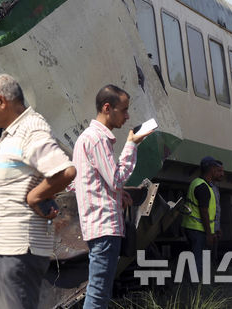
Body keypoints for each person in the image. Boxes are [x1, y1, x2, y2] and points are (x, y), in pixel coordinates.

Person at [0, 74, 77, 309]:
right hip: (3, 248)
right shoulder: (15, 131)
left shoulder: (31, 129)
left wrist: (35, 196)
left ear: (1, 101)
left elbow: (65, 171)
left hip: (17, 250)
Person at [72, 84, 151, 309]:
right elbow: (116, 178)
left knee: (98, 290)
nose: (127, 116)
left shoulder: (86, 138)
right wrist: (131, 145)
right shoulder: (97, 139)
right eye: (124, 110)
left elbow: (86, 183)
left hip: (97, 224)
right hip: (104, 225)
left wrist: (118, 195)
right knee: (98, 293)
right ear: (108, 108)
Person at [181, 156, 221, 275]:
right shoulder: (202, 187)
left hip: (195, 228)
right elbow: (204, 211)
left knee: (198, 261)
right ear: (212, 170)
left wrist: (215, 230)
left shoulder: (199, 183)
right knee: (198, 263)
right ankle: (196, 289)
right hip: (197, 230)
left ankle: (197, 288)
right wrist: (209, 234)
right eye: (216, 169)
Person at [209, 161, 224, 262]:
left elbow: (215, 209)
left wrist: (217, 228)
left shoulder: (215, 188)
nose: (222, 174)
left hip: (214, 229)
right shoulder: (206, 187)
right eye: (219, 171)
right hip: (208, 230)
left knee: (212, 257)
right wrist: (210, 231)